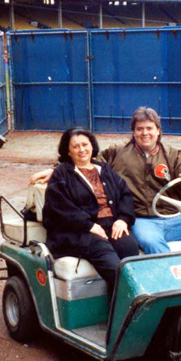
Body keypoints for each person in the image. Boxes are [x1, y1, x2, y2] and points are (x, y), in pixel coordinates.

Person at [32, 107, 181, 254]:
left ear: (158, 130)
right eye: (140, 129)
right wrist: (55, 170)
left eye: (150, 128)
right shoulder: (117, 153)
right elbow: (83, 162)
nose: (145, 133)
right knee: (153, 244)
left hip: (173, 218)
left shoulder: (173, 155)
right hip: (142, 220)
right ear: (133, 131)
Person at [42, 127, 139, 296]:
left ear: (92, 146)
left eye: (85, 144)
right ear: (68, 151)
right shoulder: (62, 173)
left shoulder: (104, 169)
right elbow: (58, 207)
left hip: (110, 224)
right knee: (111, 263)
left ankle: (117, 306)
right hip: (77, 231)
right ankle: (127, 307)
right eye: (76, 146)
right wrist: (88, 225)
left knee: (129, 247)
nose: (82, 150)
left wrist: (122, 219)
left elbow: (125, 194)